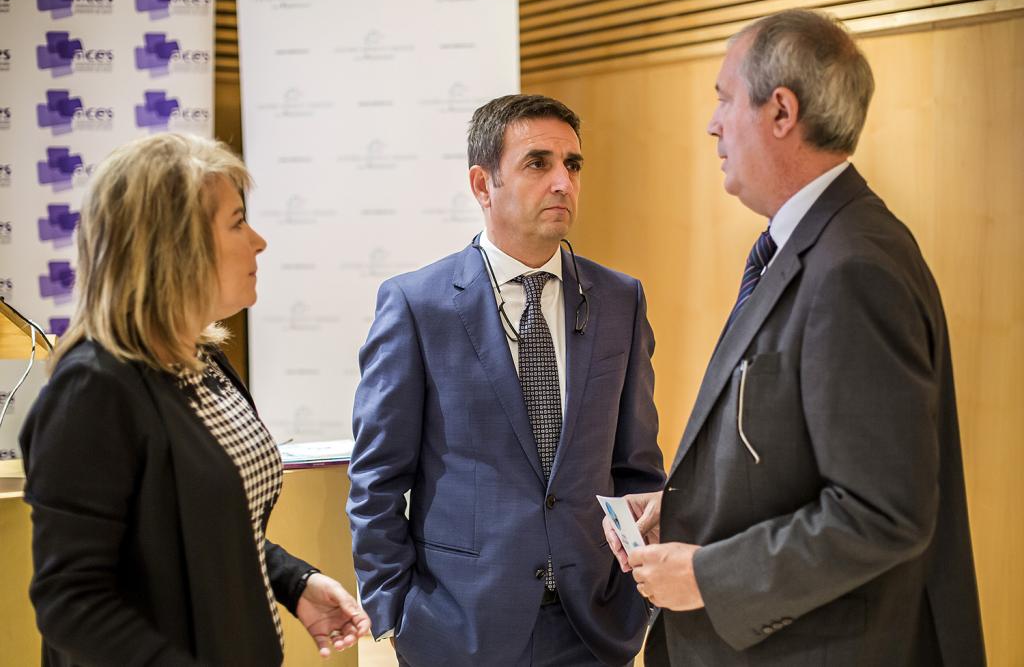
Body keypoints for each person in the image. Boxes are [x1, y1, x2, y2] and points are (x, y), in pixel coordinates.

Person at [605, 9, 986, 666]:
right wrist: (688, 509)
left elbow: (880, 512)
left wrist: (707, 575)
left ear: (781, 111)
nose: (713, 123)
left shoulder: (855, 267)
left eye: (724, 98)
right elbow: (789, 455)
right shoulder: (811, 248)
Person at [19, 133, 371, 666]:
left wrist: (295, 581)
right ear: (174, 244)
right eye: (236, 221)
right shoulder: (94, 388)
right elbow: (71, 601)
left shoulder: (203, 360)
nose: (259, 241)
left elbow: (214, 523)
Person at [347, 94, 664, 666]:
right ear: (481, 184)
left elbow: (637, 466)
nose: (563, 182)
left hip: (594, 625)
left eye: (573, 164)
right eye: (538, 163)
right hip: (458, 630)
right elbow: (377, 481)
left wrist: (638, 597)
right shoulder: (417, 306)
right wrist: (396, 614)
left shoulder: (621, 299)